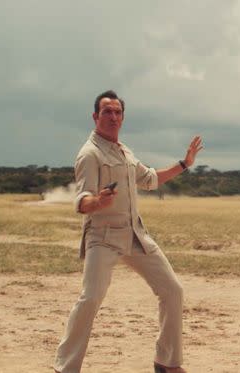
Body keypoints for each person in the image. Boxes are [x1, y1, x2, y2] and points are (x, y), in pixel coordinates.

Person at [54, 90, 202, 373]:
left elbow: (150, 179)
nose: (113, 117)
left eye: (117, 112)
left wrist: (184, 164)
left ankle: (167, 363)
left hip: (135, 235)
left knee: (172, 291)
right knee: (91, 298)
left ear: (123, 117)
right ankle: (65, 368)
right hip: (103, 237)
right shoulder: (90, 154)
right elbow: (82, 199)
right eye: (107, 112)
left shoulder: (124, 151)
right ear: (95, 117)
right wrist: (97, 201)